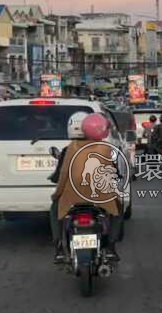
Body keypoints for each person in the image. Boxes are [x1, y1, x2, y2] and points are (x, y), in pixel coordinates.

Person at [49, 112, 122, 264]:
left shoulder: (69, 149)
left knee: (54, 209)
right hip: (100, 196)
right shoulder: (105, 148)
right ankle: (111, 248)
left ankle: (59, 248)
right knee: (118, 209)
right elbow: (112, 174)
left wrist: (57, 194)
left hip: (72, 196)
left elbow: (62, 176)